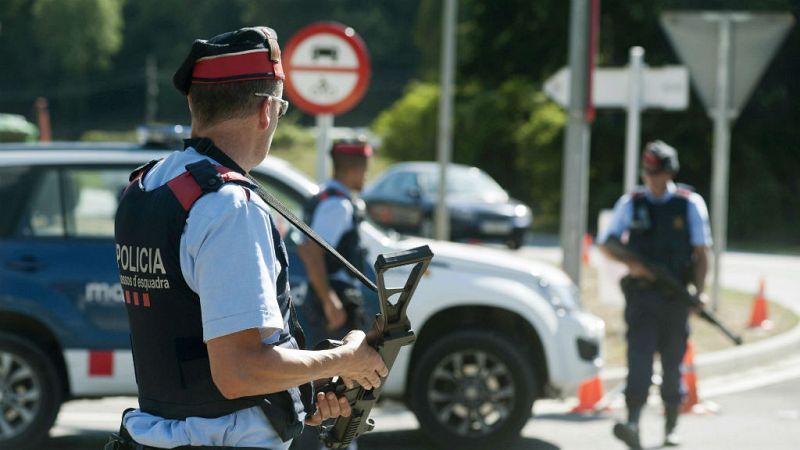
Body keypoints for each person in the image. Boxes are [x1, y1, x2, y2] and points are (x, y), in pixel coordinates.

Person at [109, 26, 387, 450]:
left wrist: (298, 390)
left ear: (192, 101)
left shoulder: (150, 186)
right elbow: (238, 372)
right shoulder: (230, 207)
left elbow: (191, 346)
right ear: (266, 110)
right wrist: (346, 359)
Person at [598, 141, 712, 449]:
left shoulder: (689, 203)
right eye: (646, 171)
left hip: (675, 298)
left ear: (669, 172)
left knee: (673, 363)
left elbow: (702, 253)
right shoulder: (632, 202)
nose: (650, 177)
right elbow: (607, 242)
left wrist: (700, 294)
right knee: (639, 361)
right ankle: (632, 422)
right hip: (642, 298)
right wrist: (634, 265)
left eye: (656, 172)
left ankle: (671, 427)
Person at [292, 139, 372, 450]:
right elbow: (311, 251)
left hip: (329, 299)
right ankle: (332, 443)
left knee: (333, 378)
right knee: (334, 381)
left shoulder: (326, 196)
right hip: (332, 302)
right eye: (364, 169)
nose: (365, 176)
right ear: (354, 168)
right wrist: (330, 300)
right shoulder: (336, 204)